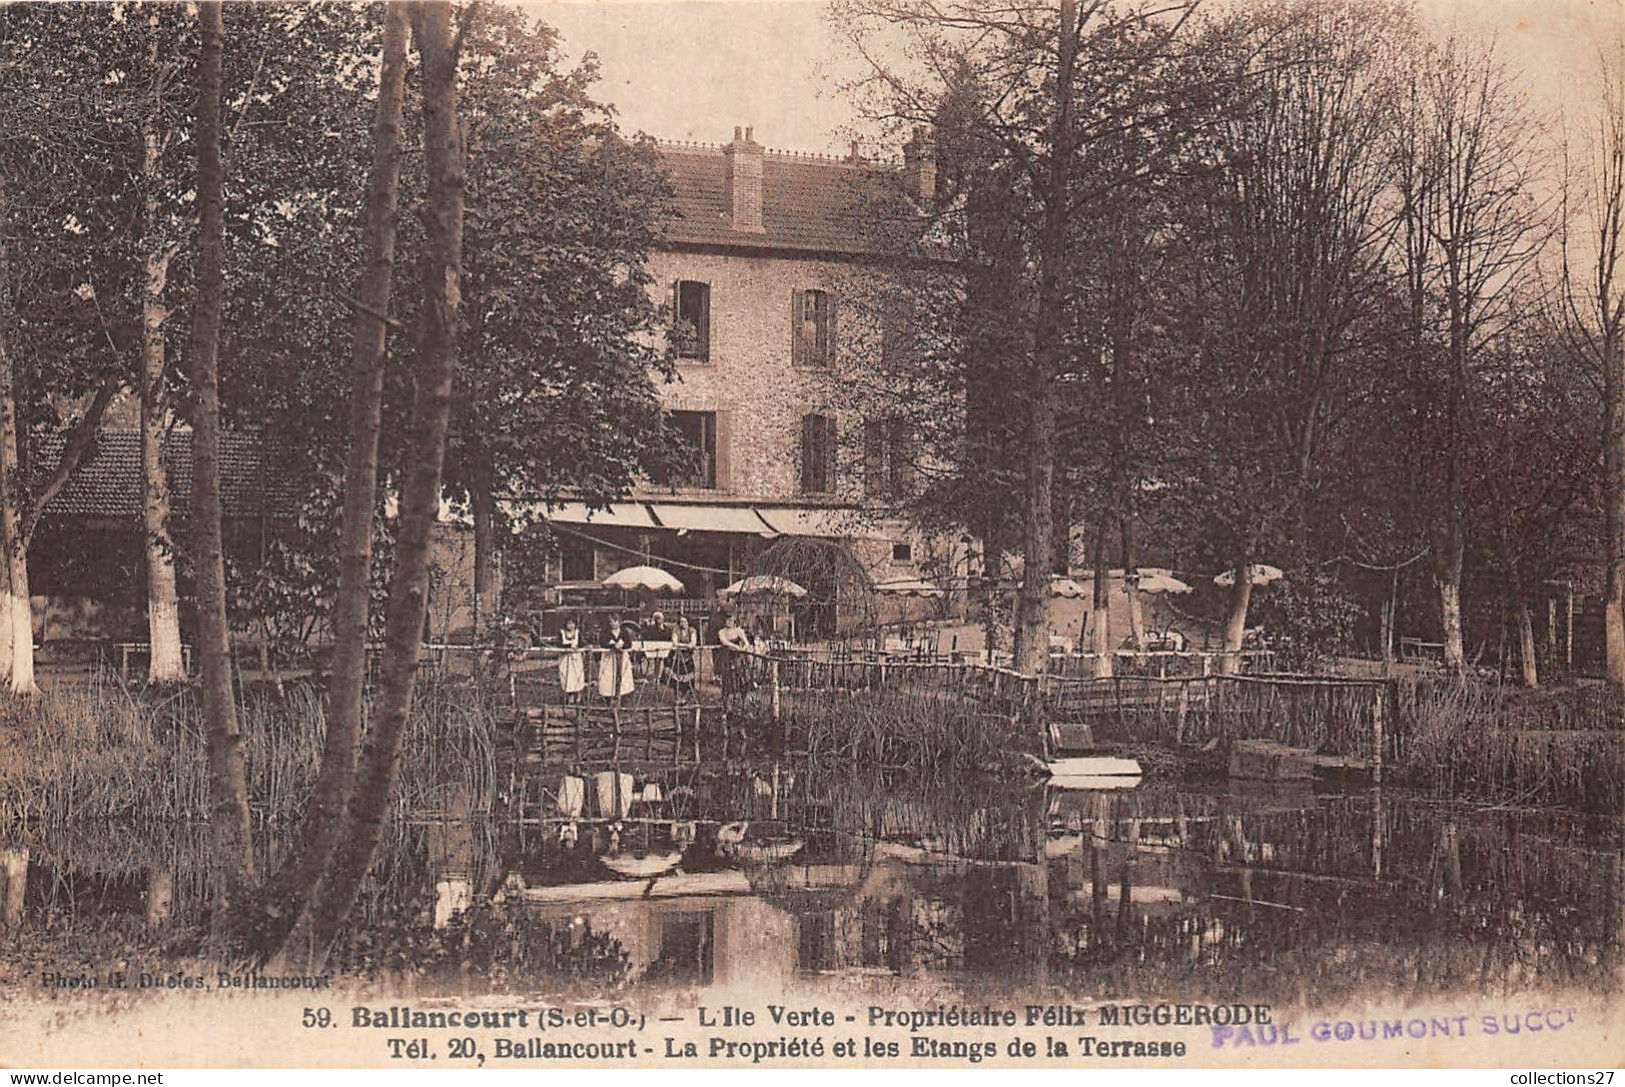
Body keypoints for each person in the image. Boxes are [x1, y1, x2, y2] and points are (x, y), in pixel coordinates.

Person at [598, 615, 636, 701]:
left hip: (622, 656)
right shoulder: (605, 632)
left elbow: (629, 644)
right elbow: (602, 643)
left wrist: (621, 645)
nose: (614, 624)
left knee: (623, 675)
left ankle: (622, 695)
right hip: (609, 658)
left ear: (619, 622)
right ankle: (608, 695)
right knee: (609, 675)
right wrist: (612, 645)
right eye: (611, 622)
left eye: (616, 621)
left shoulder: (624, 632)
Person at [716, 611, 752, 700]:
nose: (730, 622)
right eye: (728, 621)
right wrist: (735, 646)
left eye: (731, 620)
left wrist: (743, 648)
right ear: (725, 622)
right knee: (728, 676)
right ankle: (727, 697)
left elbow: (746, 642)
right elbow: (724, 642)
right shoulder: (722, 632)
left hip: (738, 656)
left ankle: (741, 697)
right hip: (727, 656)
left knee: (740, 675)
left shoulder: (739, 630)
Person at [664, 614, 698, 699]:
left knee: (688, 678)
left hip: (687, 657)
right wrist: (686, 645)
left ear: (688, 622)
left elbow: (693, 643)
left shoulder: (692, 631)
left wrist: (686, 645)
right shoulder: (676, 630)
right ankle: (677, 696)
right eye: (681, 622)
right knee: (676, 677)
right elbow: (675, 643)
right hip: (676, 657)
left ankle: (685, 696)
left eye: (685, 621)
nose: (683, 623)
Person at [557, 618, 585, 703]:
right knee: (567, 677)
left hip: (576, 658)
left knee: (577, 676)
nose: (571, 626)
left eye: (572, 624)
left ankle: (579, 695)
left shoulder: (578, 633)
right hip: (565, 658)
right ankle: (570, 696)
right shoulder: (561, 633)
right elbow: (559, 644)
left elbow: (582, 643)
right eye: (569, 623)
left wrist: (578, 647)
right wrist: (569, 646)